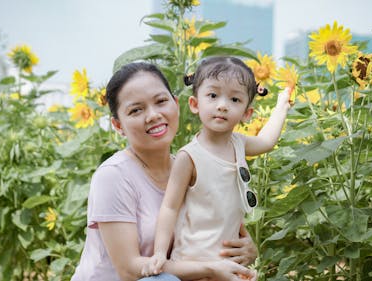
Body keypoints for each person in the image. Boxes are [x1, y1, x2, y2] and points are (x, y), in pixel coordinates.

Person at [71, 62, 258, 281]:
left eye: (161, 102)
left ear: (177, 105)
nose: (153, 115)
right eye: (136, 110)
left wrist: (247, 250)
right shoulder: (113, 176)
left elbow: (220, 229)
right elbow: (129, 269)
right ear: (118, 125)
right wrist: (211, 268)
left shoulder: (191, 167)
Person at [143, 56, 292, 277]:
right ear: (195, 104)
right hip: (193, 265)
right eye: (213, 96)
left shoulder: (239, 143)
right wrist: (159, 253)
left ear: (246, 114)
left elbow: (267, 141)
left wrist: (282, 106)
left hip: (228, 263)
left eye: (234, 99)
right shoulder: (189, 156)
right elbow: (169, 208)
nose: (222, 105)